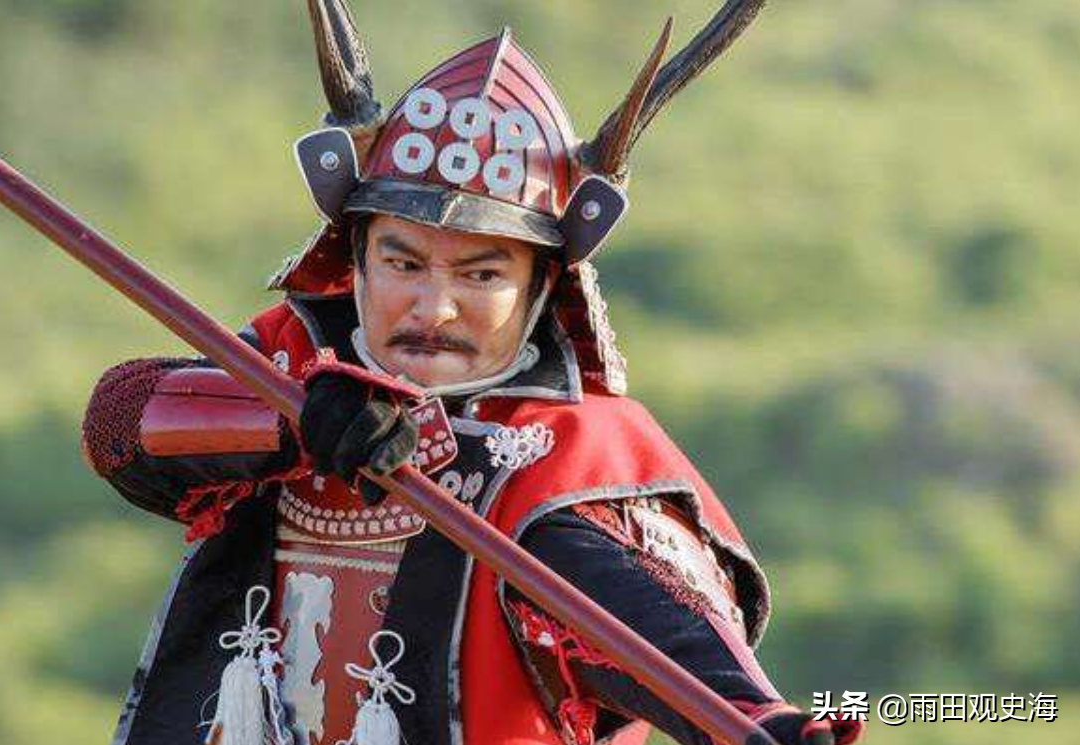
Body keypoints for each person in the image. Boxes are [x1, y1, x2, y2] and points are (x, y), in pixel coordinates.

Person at [81, 2, 864, 745]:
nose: (435, 307)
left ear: (538, 288)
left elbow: (675, 645)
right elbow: (117, 427)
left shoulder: (575, 460)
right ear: (354, 260)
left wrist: (765, 725)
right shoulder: (289, 363)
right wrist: (297, 422)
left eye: (481, 275)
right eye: (402, 260)